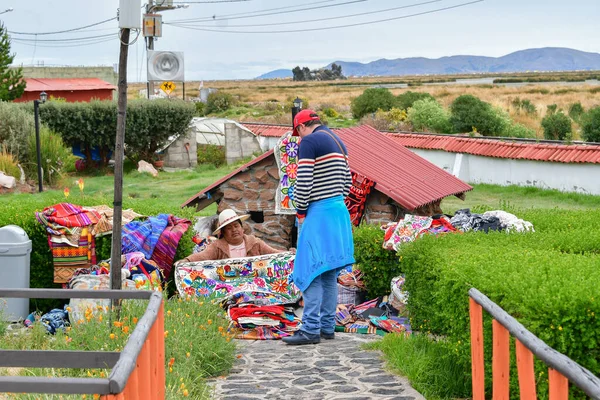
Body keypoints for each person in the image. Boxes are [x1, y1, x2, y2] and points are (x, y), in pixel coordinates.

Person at [282, 109, 355, 345]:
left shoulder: (310, 142)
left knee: (310, 269)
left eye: (298, 133)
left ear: (302, 127)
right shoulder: (338, 141)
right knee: (328, 273)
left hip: (319, 212)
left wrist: (301, 209)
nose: (299, 138)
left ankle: (310, 329)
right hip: (338, 211)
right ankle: (327, 327)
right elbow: (347, 183)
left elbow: (304, 181)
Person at [178, 209, 287, 263]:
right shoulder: (217, 246)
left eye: (236, 226)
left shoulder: (255, 242)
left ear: (242, 228)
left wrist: (290, 254)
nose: (234, 230)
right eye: (229, 228)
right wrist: (186, 261)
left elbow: (273, 253)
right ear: (223, 233)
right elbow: (202, 256)